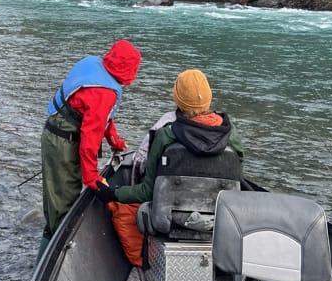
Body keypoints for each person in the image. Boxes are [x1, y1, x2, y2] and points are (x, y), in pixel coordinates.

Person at [38, 39, 141, 259]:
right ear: (128, 69)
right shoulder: (104, 92)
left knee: (57, 202)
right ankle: (54, 259)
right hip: (62, 143)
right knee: (62, 209)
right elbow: (90, 138)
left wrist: (115, 141)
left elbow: (102, 117)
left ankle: (50, 248)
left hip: (56, 135)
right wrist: (92, 178)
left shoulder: (94, 65)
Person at [95, 68, 243, 205]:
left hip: (168, 219)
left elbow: (148, 192)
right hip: (218, 220)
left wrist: (114, 193)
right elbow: (236, 178)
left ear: (177, 98)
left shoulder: (165, 135)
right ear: (208, 97)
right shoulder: (230, 134)